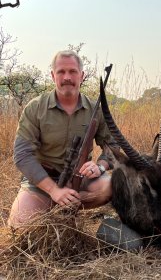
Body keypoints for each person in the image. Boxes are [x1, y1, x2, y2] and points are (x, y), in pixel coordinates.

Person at [8, 50, 117, 228]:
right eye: (61, 72)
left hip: (81, 179)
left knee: (112, 185)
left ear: (82, 75)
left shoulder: (96, 109)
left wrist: (100, 166)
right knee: (18, 227)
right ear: (53, 75)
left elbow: (112, 146)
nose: (67, 77)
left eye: (73, 72)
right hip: (43, 182)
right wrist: (53, 190)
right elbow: (22, 155)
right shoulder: (35, 108)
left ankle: (67, 205)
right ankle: (55, 203)